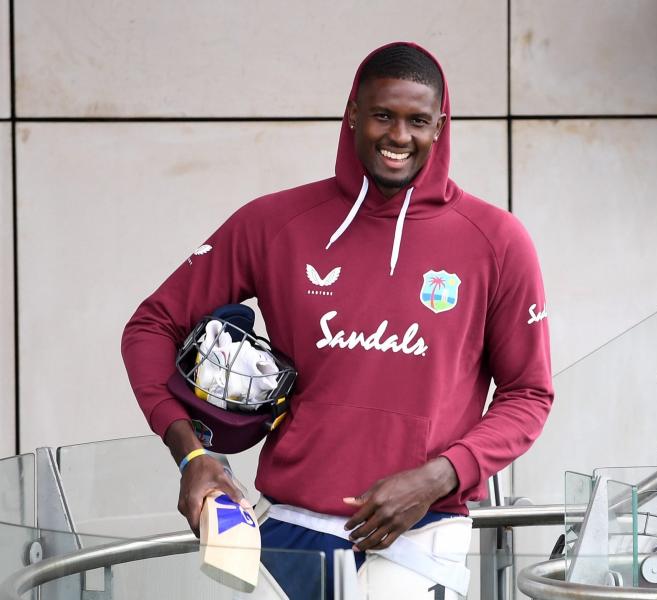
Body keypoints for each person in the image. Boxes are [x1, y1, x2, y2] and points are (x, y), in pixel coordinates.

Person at [121, 42, 553, 599]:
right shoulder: (275, 223)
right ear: (351, 114)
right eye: (382, 115)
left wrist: (439, 475)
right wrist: (193, 454)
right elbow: (151, 327)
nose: (399, 137)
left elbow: (528, 394)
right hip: (287, 531)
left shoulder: (497, 241)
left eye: (418, 121)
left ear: (441, 125)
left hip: (421, 534)